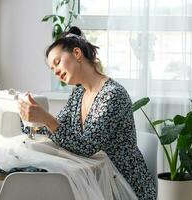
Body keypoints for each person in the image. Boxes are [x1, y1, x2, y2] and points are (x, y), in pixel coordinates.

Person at [19, 26, 157, 200]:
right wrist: (28, 123)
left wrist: (45, 118)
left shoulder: (112, 94)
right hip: (97, 181)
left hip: (124, 186)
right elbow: (59, 132)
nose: (56, 72)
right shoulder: (79, 93)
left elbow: (86, 147)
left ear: (77, 53)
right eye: (52, 70)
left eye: (57, 63)